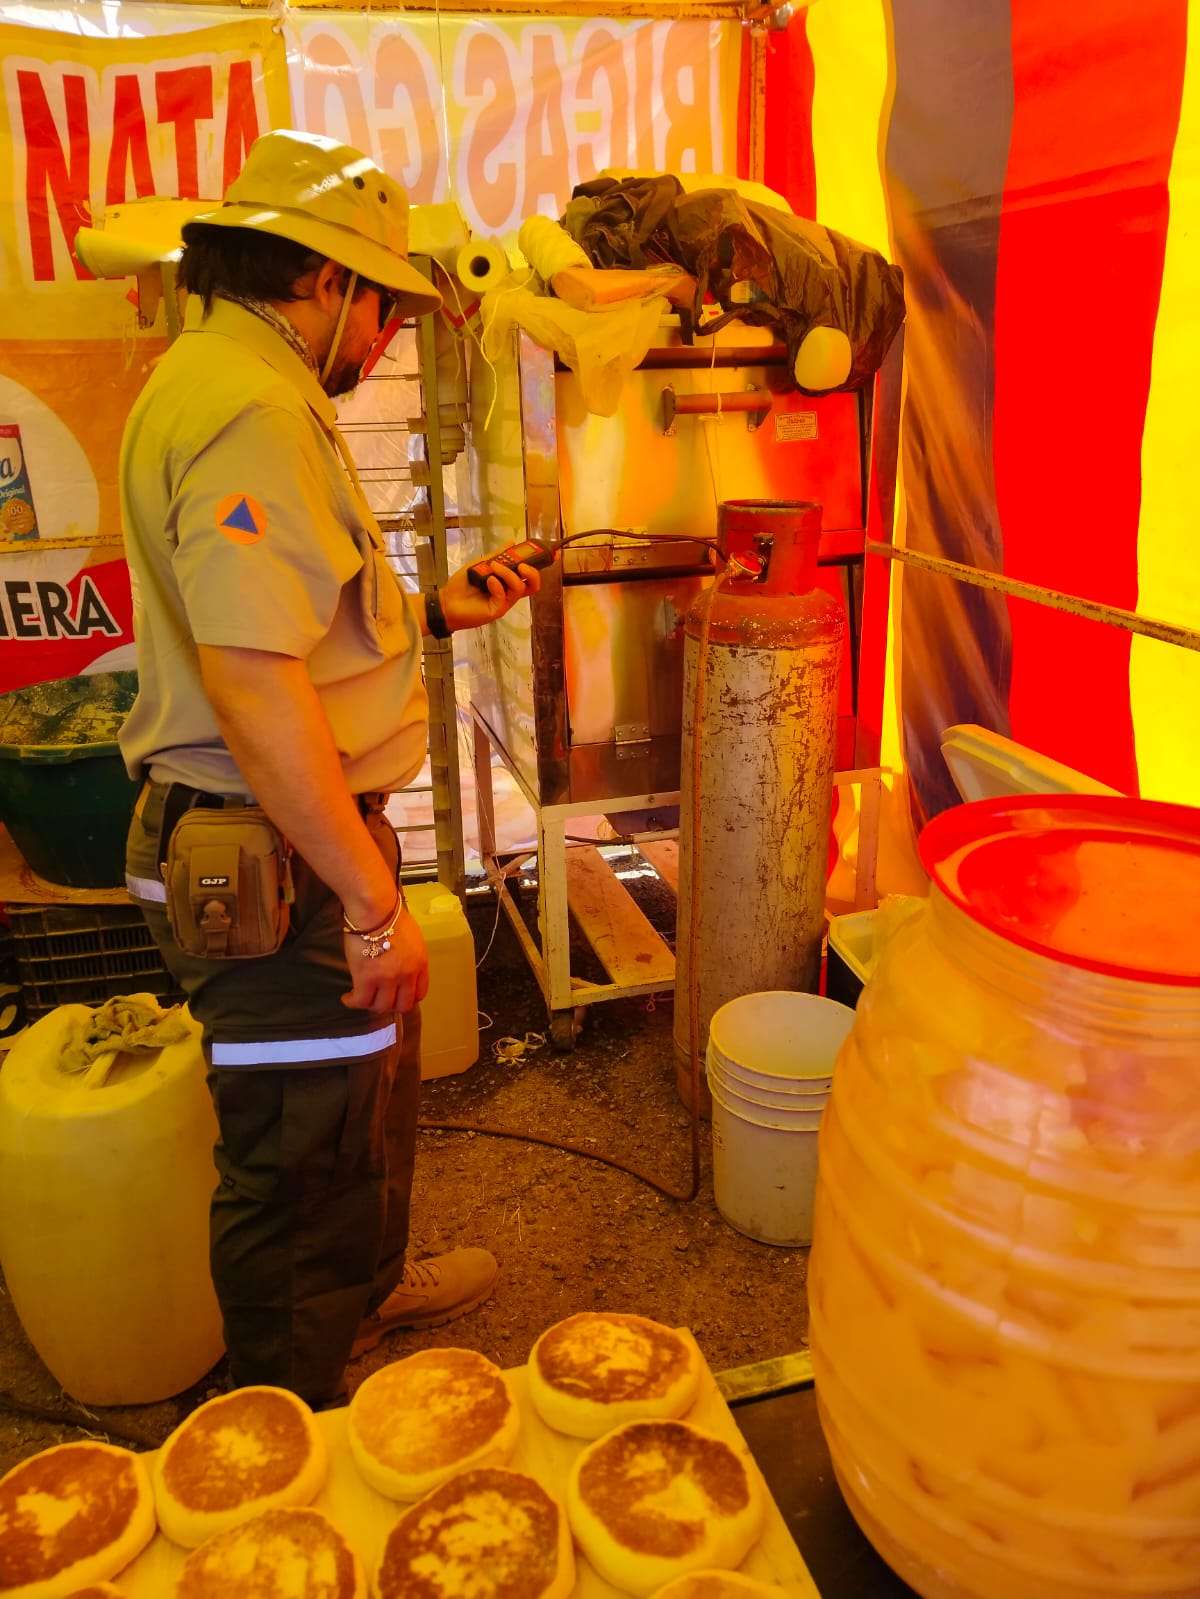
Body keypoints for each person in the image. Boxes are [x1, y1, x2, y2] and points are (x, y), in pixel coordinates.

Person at [118, 129, 539, 1409]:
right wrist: (365, 899)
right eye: (382, 309)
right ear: (322, 280)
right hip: (273, 851)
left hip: (292, 836)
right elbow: (251, 678)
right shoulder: (250, 408)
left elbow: (294, 622)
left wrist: (435, 609)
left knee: (353, 1109)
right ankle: (283, 1439)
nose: (386, 338)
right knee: (297, 1160)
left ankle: (362, 1296)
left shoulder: (234, 378)